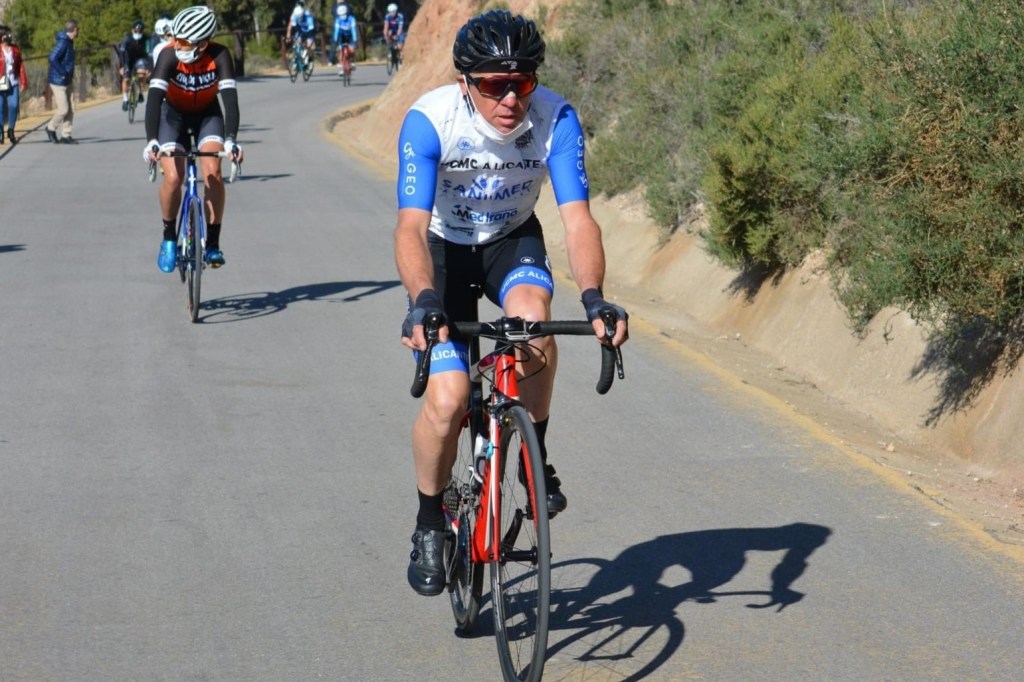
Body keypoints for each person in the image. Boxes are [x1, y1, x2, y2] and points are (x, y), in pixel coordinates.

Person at [394, 9, 629, 596]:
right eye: (495, 85)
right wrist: (423, 301)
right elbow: (409, 227)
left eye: (521, 82)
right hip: (443, 250)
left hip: (511, 240)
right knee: (448, 399)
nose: (510, 98)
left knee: (533, 326)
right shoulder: (430, 121)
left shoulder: (556, 118)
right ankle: (429, 522)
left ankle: (532, 457)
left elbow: (578, 221)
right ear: (464, 83)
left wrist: (595, 297)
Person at [143, 5, 243, 273]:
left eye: (183, 41)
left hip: (208, 116)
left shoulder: (220, 56)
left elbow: (230, 103)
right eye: (175, 38)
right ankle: (168, 238)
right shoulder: (168, 56)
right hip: (172, 118)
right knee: (173, 177)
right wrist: (151, 140)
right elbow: (154, 101)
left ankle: (212, 244)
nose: (176, 44)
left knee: (213, 172)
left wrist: (231, 140)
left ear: (203, 44)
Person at [46, 19, 78, 145]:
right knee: (63, 109)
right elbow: (52, 57)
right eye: (77, 29)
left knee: (71, 109)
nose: (78, 32)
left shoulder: (69, 42)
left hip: (67, 80)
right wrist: (63, 72)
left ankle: (66, 135)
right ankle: (51, 128)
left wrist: (67, 74)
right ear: (74, 29)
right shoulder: (63, 42)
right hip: (58, 81)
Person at [0, 25, 29, 145]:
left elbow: (20, 65)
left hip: (13, 82)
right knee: (0, 108)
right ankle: (0, 133)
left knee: (14, 106)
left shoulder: (15, 49)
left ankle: (11, 130)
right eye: (7, 34)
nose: (9, 36)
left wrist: (23, 81)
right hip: (1, 83)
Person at [118, 20, 153, 112]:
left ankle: (140, 91)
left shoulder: (146, 39)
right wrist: (122, 66)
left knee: (142, 73)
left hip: (140, 58)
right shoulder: (127, 38)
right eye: (136, 31)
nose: (138, 33)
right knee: (126, 79)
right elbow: (122, 52)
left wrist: (149, 67)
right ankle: (125, 99)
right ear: (132, 29)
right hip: (128, 60)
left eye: (140, 31)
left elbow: (150, 53)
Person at [285, 2, 317, 68]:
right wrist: (292, 36)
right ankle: (296, 59)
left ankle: (310, 60)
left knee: (308, 45)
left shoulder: (308, 17)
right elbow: (294, 27)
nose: (299, 18)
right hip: (301, 30)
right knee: (297, 43)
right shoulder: (295, 16)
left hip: (310, 31)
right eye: (297, 17)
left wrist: (308, 40)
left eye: (300, 17)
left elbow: (311, 30)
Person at [331, 4, 357, 74]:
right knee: (341, 51)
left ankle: (352, 61)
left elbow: (353, 30)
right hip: (342, 36)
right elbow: (336, 31)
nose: (343, 16)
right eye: (341, 15)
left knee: (352, 50)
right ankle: (342, 67)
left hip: (350, 36)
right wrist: (335, 40)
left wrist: (355, 39)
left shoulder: (351, 19)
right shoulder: (338, 20)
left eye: (344, 14)